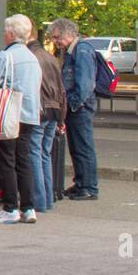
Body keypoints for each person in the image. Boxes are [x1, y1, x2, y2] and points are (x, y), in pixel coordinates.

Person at [0, 15, 42, 225]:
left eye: (6, 30)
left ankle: (10, 208)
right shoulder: (33, 58)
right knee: (23, 160)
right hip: (30, 114)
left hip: (8, 114)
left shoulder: (4, 56)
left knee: (5, 160)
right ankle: (28, 207)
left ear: (11, 33)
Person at [49, 17, 100, 201]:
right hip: (77, 106)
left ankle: (88, 187)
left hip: (80, 108)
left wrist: (72, 105)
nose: (56, 42)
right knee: (77, 147)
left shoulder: (82, 51)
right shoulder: (74, 51)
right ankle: (81, 183)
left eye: (57, 37)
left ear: (68, 34)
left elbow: (85, 85)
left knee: (83, 147)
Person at [27, 32, 66, 215]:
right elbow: (61, 89)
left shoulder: (30, 58)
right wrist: (61, 118)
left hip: (39, 110)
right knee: (45, 154)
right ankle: (48, 199)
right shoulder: (51, 58)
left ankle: (38, 201)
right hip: (54, 110)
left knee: (34, 153)